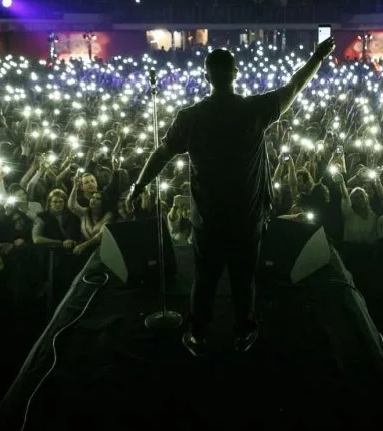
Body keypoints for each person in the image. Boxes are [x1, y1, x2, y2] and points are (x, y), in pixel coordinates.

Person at [129, 38, 336, 356]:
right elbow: (296, 85)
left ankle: (198, 334)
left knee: (205, 277)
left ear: (206, 76)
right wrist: (317, 57)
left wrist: (139, 184)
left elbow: (162, 153)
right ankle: (243, 333)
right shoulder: (255, 109)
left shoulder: (191, 117)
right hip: (247, 215)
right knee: (243, 278)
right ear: (236, 73)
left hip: (208, 217)